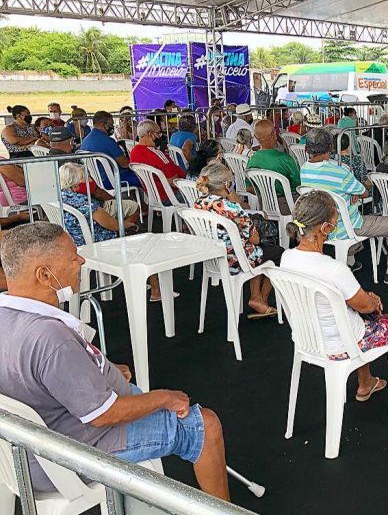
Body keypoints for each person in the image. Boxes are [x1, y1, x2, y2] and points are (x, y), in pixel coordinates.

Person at [0, 222, 230, 499]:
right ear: (45, 275)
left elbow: (45, 375)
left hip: (25, 448)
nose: (81, 261)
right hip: (65, 453)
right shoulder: (50, 338)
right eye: (73, 257)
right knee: (204, 424)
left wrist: (97, 370)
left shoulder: (8, 314)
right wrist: (165, 398)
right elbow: (103, 414)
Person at [280, 190, 388, 418]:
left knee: (358, 314)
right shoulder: (334, 269)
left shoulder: (287, 258)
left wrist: (362, 298)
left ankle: (366, 383)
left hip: (309, 338)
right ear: (324, 229)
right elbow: (366, 307)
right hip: (341, 342)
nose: (336, 227)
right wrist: (371, 299)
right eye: (334, 223)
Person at [300, 128, 388, 284]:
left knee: (349, 212)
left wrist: (350, 193)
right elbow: (364, 192)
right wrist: (355, 193)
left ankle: (350, 261)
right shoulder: (339, 171)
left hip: (319, 224)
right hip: (346, 226)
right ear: (330, 148)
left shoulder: (304, 169)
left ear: (306, 149)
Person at [195, 162, 281, 318]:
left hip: (214, 258)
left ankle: (256, 297)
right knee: (278, 253)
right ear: (226, 184)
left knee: (260, 250)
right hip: (237, 260)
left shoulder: (198, 204)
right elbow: (254, 240)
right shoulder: (232, 208)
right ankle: (260, 297)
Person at [58, 162, 140, 244]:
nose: (90, 180)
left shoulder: (61, 195)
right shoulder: (86, 204)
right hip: (99, 240)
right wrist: (131, 225)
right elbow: (114, 225)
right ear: (75, 187)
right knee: (132, 227)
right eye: (86, 179)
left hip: (75, 239)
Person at [247, 119, 301, 213]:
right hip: (288, 206)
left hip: (264, 205)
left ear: (255, 137)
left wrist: (266, 194)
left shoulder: (252, 160)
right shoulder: (285, 159)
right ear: (273, 135)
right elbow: (298, 185)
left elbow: (249, 188)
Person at [129, 120, 186, 203]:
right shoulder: (156, 154)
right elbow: (173, 181)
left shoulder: (134, 152)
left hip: (154, 197)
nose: (160, 136)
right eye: (158, 133)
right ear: (150, 134)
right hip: (171, 196)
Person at [81, 110, 141, 189]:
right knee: (142, 177)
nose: (112, 127)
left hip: (95, 180)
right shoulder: (108, 141)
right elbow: (125, 163)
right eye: (111, 124)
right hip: (111, 180)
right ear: (103, 124)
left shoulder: (85, 140)